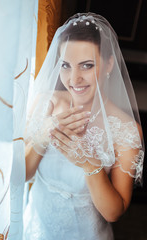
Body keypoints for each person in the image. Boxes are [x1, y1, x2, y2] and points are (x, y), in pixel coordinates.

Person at [23, 12, 144, 240]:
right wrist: (42, 136)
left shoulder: (126, 130)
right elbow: (22, 175)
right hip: (35, 229)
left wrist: (90, 164)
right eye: (66, 65)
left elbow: (113, 213)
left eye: (86, 65)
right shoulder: (46, 103)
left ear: (109, 64)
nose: (74, 78)